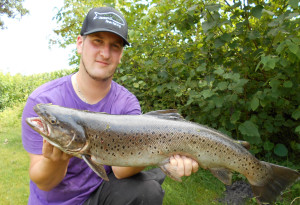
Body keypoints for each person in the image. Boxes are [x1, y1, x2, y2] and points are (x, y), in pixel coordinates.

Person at [22, 7, 199, 205]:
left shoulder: (127, 102)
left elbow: (120, 171)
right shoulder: (42, 100)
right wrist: (57, 160)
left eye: (115, 46)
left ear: (121, 54)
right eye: (97, 41)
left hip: (100, 193)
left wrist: (161, 155)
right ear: (80, 44)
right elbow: (44, 183)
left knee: (147, 188)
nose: (105, 53)